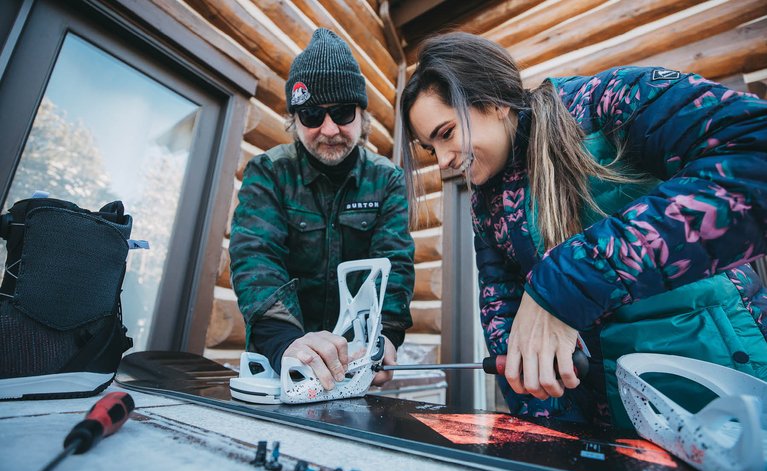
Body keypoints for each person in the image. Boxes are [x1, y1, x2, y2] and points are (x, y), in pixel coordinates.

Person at [400, 32, 767, 427]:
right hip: (612, 420)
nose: (441, 163)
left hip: (724, 391)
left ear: (492, 99)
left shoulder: (606, 103)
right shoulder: (484, 206)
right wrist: (549, 426)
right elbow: (502, 310)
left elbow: (755, 158)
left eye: (446, 133)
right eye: (429, 148)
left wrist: (568, 282)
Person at [230, 28, 415, 392]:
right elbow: (255, 256)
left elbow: (395, 262)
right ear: (295, 120)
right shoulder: (269, 172)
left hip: (357, 366)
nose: (329, 129)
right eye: (313, 114)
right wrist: (286, 342)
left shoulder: (387, 179)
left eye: (343, 112)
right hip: (282, 360)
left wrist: (386, 336)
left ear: (363, 116)